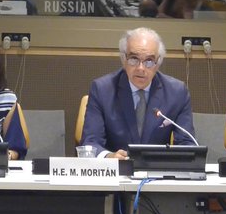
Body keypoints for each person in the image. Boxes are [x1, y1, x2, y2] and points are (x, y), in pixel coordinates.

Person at [81, 27, 195, 159]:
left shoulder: (177, 92)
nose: (141, 68)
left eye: (149, 61)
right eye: (134, 59)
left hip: (157, 168)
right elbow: (90, 142)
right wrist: (109, 157)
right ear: (124, 59)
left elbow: (187, 143)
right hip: (117, 168)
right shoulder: (102, 90)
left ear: (158, 63)